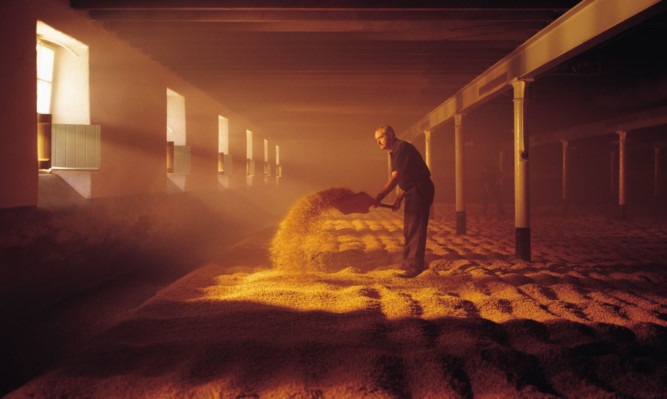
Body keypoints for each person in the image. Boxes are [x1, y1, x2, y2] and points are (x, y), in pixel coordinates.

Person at [374, 125, 435, 278]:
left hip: (420, 189)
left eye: (380, 137)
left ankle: (415, 267)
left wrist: (380, 195)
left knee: (415, 227)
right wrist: (398, 198)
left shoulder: (401, 148)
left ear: (391, 135)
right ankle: (409, 263)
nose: (378, 142)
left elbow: (396, 177)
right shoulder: (395, 151)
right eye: (376, 140)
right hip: (413, 188)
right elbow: (407, 176)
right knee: (409, 228)